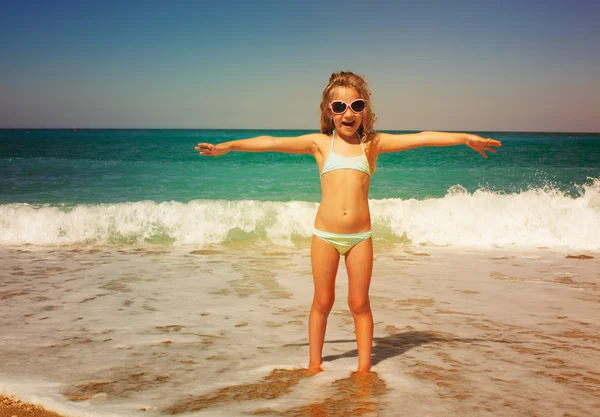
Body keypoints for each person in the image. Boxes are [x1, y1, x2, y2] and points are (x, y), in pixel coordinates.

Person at [196, 71, 501, 373]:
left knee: (359, 304)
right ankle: (314, 365)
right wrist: (229, 146)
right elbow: (272, 141)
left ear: (365, 110)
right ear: (329, 113)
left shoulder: (373, 145)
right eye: (339, 107)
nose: (348, 113)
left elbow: (421, 139)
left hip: (360, 238)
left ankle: (364, 370)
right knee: (323, 302)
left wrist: (465, 139)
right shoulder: (319, 144)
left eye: (356, 105)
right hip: (324, 236)